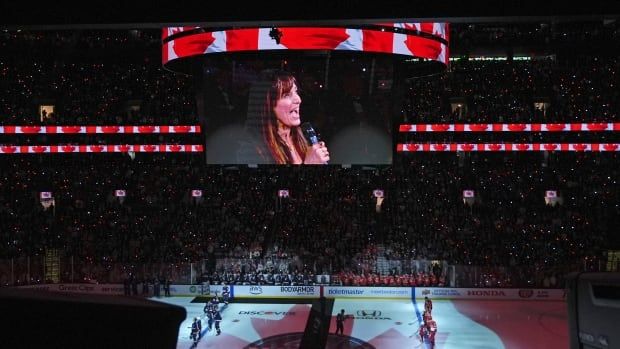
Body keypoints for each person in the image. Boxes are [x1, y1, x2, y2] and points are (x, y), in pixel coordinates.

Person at [237, 71, 330, 165]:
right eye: (287, 95)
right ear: (267, 105)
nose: (298, 99)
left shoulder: (304, 136)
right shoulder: (251, 150)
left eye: (296, 92)